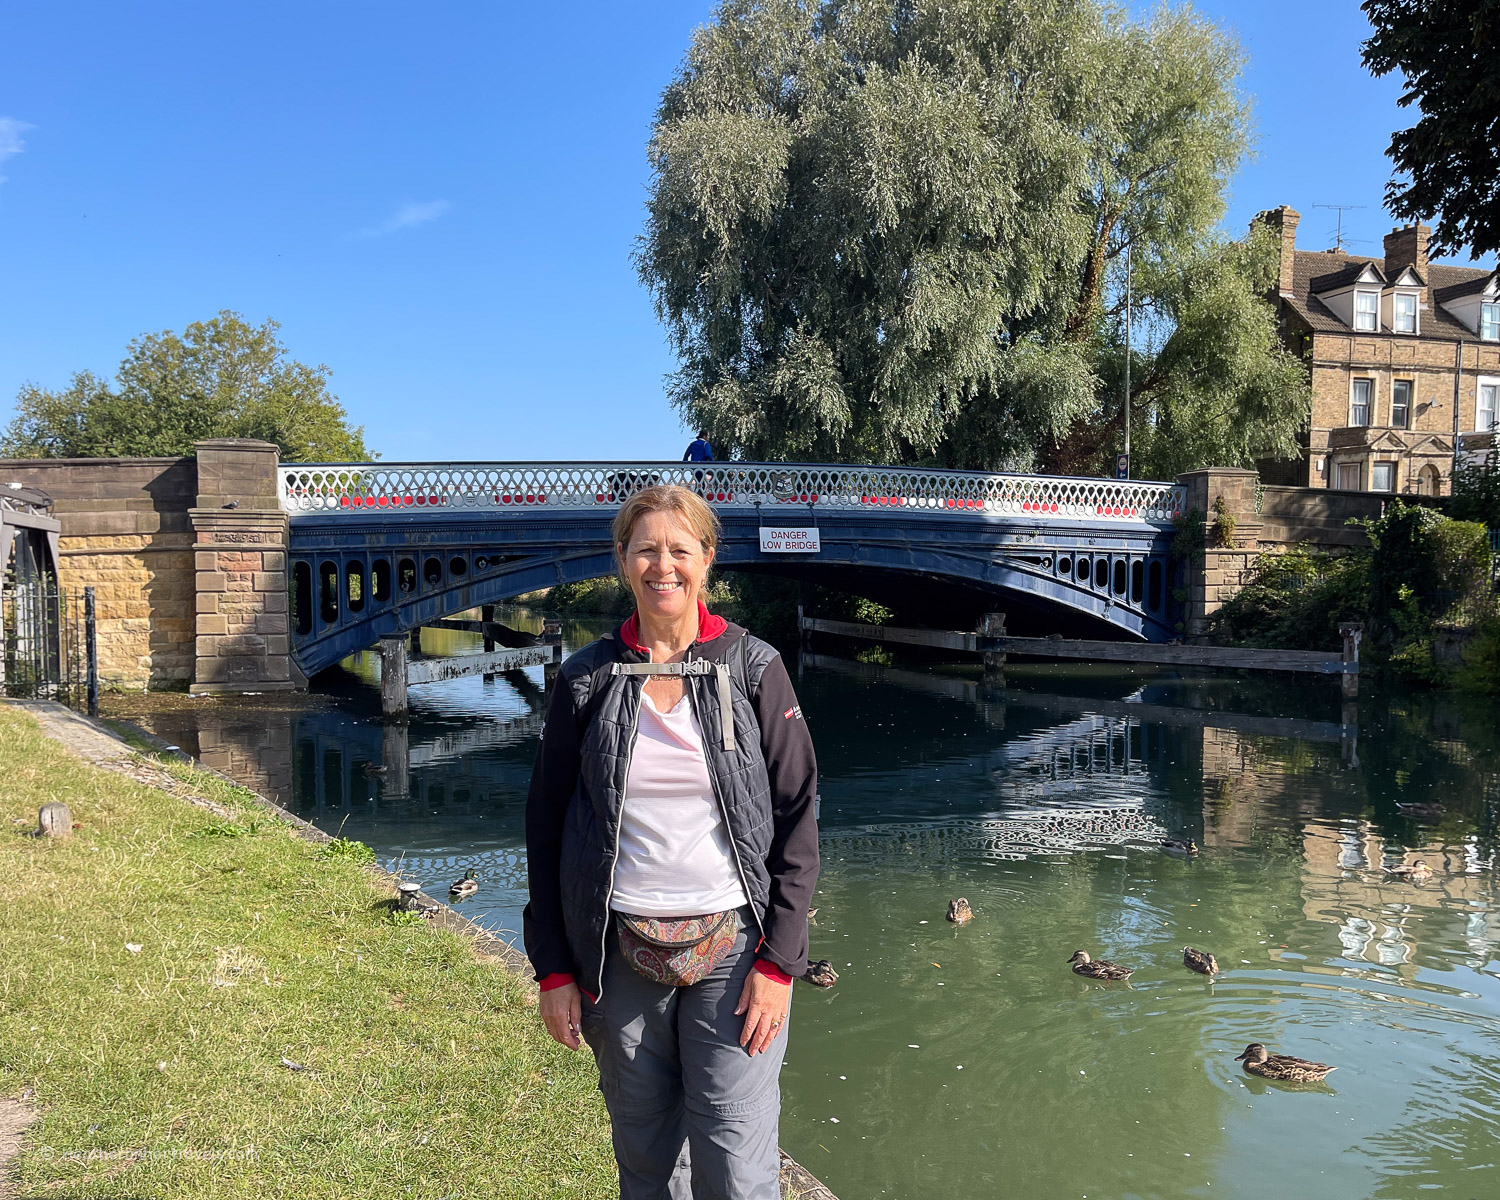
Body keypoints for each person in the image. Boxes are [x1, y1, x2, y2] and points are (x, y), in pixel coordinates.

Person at [524, 484, 819, 1200]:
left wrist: (779, 965)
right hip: (619, 953)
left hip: (734, 950)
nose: (664, 566)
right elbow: (546, 818)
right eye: (646, 549)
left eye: (680, 550)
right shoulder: (585, 678)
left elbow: (798, 815)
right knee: (648, 1161)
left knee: (737, 1167)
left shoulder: (753, 668)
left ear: (707, 560)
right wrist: (554, 968)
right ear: (622, 561)